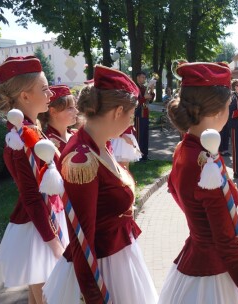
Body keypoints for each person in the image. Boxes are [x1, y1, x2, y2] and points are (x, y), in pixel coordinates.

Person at [43, 65, 158, 304]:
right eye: (130, 114)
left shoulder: (100, 145)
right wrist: (95, 296)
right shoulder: (81, 159)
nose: (130, 122)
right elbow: (81, 241)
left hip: (119, 259)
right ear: (117, 111)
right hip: (103, 270)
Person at [160, 61, 238, 304]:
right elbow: (228, 244)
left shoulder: (184, 148)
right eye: (229, 105)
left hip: (193, 262)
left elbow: (179, 196)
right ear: (218, 111)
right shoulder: (206, 163)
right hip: (214, 275)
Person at [0, 56, 65, 304]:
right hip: (40, 228)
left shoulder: (31, 129)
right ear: (25, 97)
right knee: (49, 297)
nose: (50, 93)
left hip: (47, 220)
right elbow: (31, 195)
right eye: (44, 89)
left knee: (39, 298)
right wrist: (53, 242)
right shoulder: (20, 138)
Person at [39, 85, 79, 152]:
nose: (76, 111)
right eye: (70, 108)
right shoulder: (46, 142)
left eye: (75, 107)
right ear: (53, 111)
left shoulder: (76, 134)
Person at [134, 71, 154, 161]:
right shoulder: (135, 88)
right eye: (142, 77)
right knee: (139, 136)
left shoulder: (144, 88)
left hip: (145, 114)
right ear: (138, 78)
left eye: (145, 78)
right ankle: (138, 156)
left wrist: (152, 91)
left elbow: (150, 100)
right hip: (138, 115)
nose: (144, 79)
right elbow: (135, 103)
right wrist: (144, 98)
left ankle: (145, 155)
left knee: (145, 136)